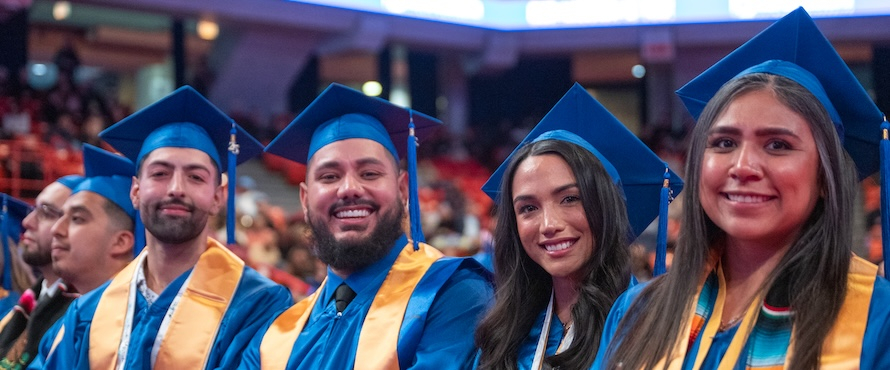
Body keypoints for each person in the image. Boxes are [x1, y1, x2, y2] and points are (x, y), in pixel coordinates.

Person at [596, 7, 890, 369]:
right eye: (723, 143)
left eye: (778, 145)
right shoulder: (637, 313)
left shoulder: (877, 321)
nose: (743, 166)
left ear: (826, 179)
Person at [238, 83, 493, 369]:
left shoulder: (451, 294)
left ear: (403, 190)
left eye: (369, 173)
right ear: (305, 200)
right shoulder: (275, 337)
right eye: (329, 176)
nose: (348, 188)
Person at [37, 86, 293, 369]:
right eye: (160, 174)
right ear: (135, 191)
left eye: (195, 177)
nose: (176, 189)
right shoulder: (88, 313)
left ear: (217, 198)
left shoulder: (258, 305)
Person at [473, 83, 682, 369]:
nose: (548, 224)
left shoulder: (647, 326)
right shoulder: (505, 330)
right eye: (528, 208)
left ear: (606, 207)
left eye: (570, 199)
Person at [0, 177, 81, 369]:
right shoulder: (24, 308)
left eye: (46, 212)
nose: (27, 222)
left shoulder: (81, 316)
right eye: (33, 210)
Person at [50, 144, 137, 294]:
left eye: (77, 219)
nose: (56, 229)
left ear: (121, 242)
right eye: (61, 216)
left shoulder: (135, 315)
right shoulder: (70, 312)